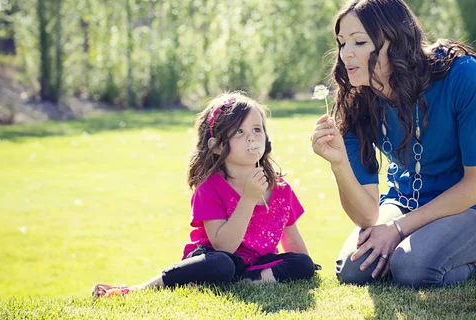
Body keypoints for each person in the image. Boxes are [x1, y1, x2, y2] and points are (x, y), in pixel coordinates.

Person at [310, 0, 476, 288]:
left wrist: (397, 230)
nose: (346, 54)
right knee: (353, 271)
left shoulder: (462, 75)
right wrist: (339, 165)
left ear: (395, 41)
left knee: (412, 267)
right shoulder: (356, 100)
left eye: (359, 42)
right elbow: (367, 215)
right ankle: (423, 244)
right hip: (409, 198)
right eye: (342, 43)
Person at [93, 92, 316, 297]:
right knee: (222, 265)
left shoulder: (280, 188)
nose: (251, 138)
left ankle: (245, 283)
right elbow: (224, 246)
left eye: (257, 130)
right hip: (215, 259)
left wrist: (305, 268)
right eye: (239, 131)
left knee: (304, 264)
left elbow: (292, 239)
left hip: (258, 266)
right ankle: (140, 288)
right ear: (217, 146)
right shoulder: (209, 187)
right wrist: (248, 198)